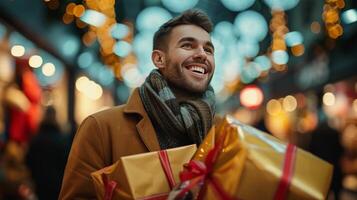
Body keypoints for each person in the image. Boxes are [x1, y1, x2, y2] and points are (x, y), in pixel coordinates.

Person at [59, 9, 218, 199]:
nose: (202, 54)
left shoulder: (222, 135)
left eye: (208, 49)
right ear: (159, 59)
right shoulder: (101, 128)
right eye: (188, 46)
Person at [26, 106, 70, 200]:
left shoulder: (36, 139)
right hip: (57, 184)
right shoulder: (61, 140)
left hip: (39, 184)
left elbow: (29, 161)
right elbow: (67, 163)